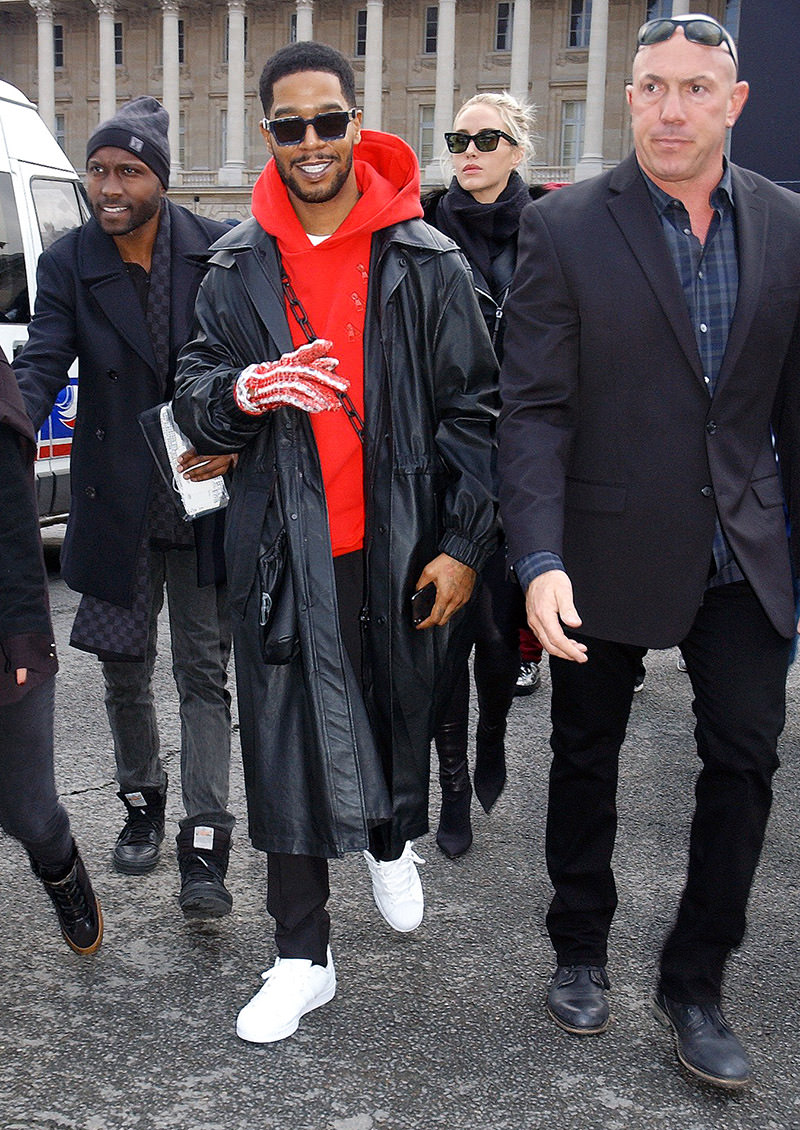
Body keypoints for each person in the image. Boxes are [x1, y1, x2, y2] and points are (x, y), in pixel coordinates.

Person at [173, 41, 497, 1044]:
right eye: (288, 126)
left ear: (357, 123)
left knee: (397, 712)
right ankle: (300, 956)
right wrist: (238, 393)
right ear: (267, 134)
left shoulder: (424, 258)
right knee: (283, 747)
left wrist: (462, 542)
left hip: (396, 547)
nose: (309, 143)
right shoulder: (234, 264)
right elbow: (192, 392)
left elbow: (479, 411)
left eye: (327, 121)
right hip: (280, 545)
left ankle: (389, 832)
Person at [498, 13, 800, 1090]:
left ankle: (694, 978)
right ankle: (577, 942)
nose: (670, 107)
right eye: (651, 86)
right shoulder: (566, 226)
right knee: (585, 755)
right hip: (602, 544)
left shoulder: (785, 223)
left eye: (694, 88)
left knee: (746, 756)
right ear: (625, 98)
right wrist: (537, 559)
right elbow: (530, 408)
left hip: (742, 543)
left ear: (733, 101)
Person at [14, 97, 236, 920]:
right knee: (123, 668)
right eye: (99, 170)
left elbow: (249, 365)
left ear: (160, 180)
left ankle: (205, 839)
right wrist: (12, 425)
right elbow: (43, 360)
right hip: (113, 494)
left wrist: (239, 437)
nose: (109, 186)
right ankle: (142, 800)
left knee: (204, 670)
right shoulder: (71, 261)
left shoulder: (215, 250)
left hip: (200, 489)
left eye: (128, 172)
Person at [422, 92, 538, 858]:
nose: (469, 151)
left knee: (499, 644)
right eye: (458, 138)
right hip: (440, 460)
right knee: (440, 641)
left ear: (517, 149)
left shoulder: (553, 232)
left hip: (523, 459)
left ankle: (491, 738)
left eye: (486, 138)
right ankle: (455, 783)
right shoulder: (420, 227)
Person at [0, 347, 102, 955]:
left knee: (28, 810)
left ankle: (60, 866)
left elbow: (14, 533)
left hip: (6, 635)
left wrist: (22, 637)